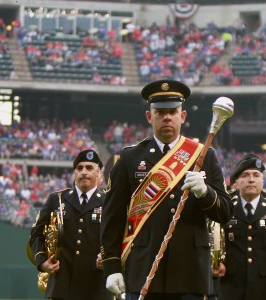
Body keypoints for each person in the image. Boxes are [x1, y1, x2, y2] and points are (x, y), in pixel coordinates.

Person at [100, 79, 234, 299]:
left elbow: (225, 212)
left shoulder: (204, 155)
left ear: (182, 116)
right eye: (160, 112)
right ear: (149, 116)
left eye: (173, 111)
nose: (166, 117)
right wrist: (112, 268)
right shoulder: (129, 158)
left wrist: (205, 193)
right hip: (143, 271)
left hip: (190, 275)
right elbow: (112, 218)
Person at [29, 149, 111, 300]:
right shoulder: (57, 199)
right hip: (61, 288)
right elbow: (36, 234)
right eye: (79, 168)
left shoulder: (109, 202)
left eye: (89, 168)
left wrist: (110, 259)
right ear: (74, 173)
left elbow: (121, 237)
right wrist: (42, 262)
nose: (84, 172)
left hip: (96, 289)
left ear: (98, 172)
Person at [217, 153, 266, 300]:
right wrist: (215, 263)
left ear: (263, 180)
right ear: (238, 181)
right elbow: (213, 238)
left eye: (256, 175)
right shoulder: (226, 207)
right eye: (245, 175)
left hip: (265, 288)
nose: (251, 179)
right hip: (230, 287)